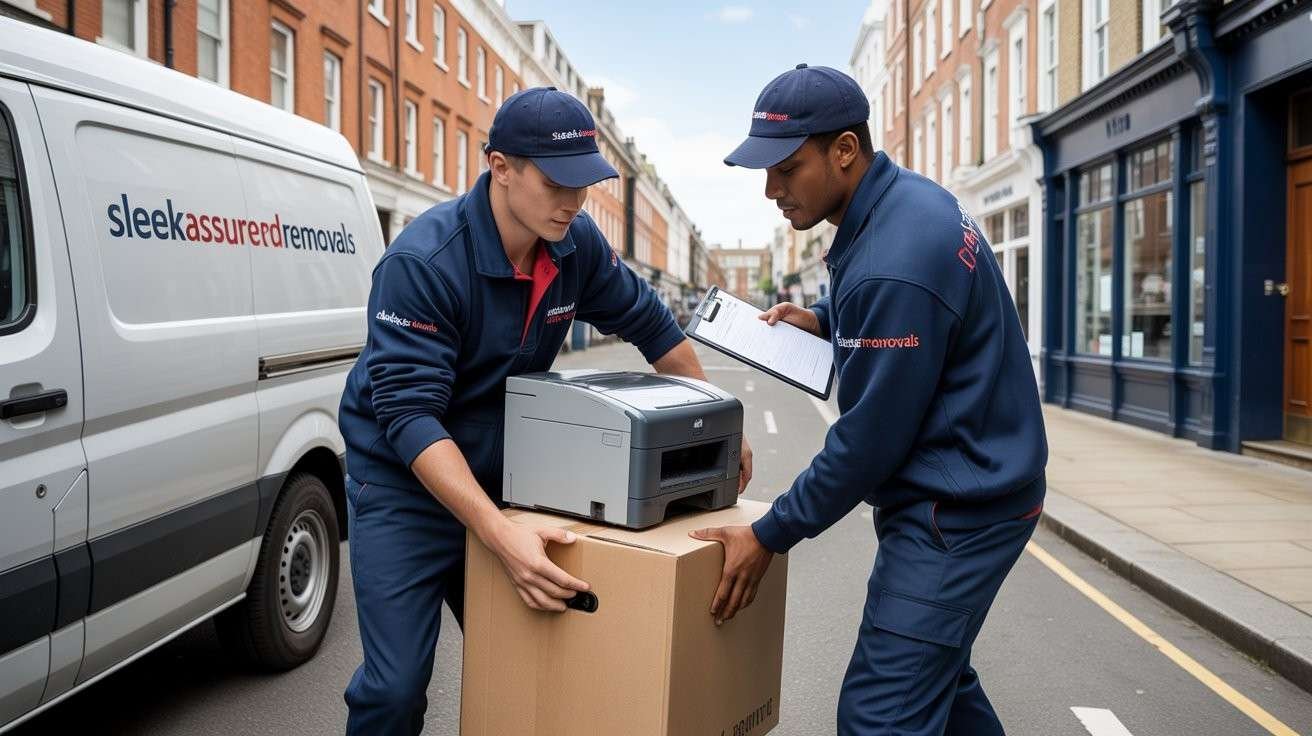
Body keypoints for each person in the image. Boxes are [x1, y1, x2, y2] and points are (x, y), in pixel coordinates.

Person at [338, 86, 752, 735]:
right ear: (500, 167)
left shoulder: (574, 244)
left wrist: (721, 420)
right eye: (557, 181)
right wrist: (497, 533)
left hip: (509, 471)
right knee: (394, 691)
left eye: (584, 183)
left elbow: (654, 329)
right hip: (404, 482)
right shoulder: (423, 262)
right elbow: (410, 417)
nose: (574, 200)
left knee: (541, 656)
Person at [689, 64, 1047, 736]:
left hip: (958, 512)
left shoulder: (895, 253)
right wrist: (826, 318)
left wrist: (770, 534)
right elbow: (915, 314)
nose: (771, 190)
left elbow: (867, 444)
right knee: (939, 687)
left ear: (845, 150)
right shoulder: (902, 202)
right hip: (975, 482)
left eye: (786, 169)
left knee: (879, 718)